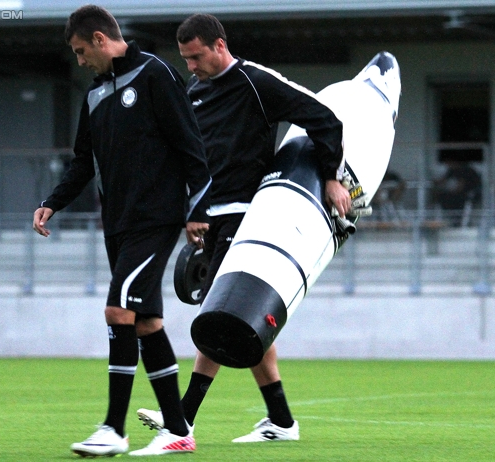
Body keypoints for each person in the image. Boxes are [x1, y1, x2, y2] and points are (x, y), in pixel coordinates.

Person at [137, 13, 351, 443]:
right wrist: (191, 212)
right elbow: (191, 161)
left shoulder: (255, 81)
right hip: (210, 220)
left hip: (248, 218)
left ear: (219, 45)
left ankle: (182, 421)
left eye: (196, 56)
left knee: (222, 317)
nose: (191, 66)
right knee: (246, 322)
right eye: (185, 59)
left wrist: (331, 175)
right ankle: (282, 421)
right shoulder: (193, 93)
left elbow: (324, 118)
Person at [32, 5, 211, 457]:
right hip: (117, 223)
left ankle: (114, 427)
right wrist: (52, 202)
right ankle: (177, 430)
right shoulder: (93, 96)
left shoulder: (156, 74)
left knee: (117, 312)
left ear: (98, 39)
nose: (78, 61)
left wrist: (197, 210)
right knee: (147, 322)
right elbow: (81, 162)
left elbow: (191, 146)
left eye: (79, 51)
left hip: (156, 218)